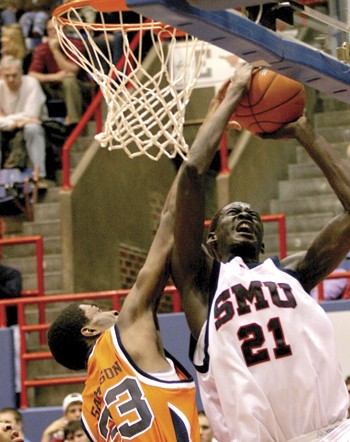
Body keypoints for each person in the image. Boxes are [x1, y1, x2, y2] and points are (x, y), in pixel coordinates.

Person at [45, 70, 235, 440]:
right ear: (88, 331)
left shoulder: (88, 411)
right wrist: (216, 118)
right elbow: (169, 220)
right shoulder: (124, 329)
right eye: (98, 312)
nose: (112, 311)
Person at [171, 59, 350, 441]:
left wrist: (304, 131)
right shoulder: (201, 286)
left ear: (264, 240)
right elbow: (190, 174)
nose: (246, 215)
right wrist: (234, 94)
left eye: (252, 214)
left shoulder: (293, 275)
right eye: (233, 212)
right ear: (211, 239)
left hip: (334, 432)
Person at [28, 18, 90, 128]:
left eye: (56, 29)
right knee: (31, 83)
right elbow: (32, 75)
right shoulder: (41, 48)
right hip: (54, 86)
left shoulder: (75, 44)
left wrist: (55, 50)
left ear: (64, 30)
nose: (53, 33)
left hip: (78, 86)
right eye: (50, 30)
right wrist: (55, 77)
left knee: (69, 81)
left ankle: (74, 124)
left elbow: (72, 71)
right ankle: (35, 121)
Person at [0, 55, 48, 181]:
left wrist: (5, 118)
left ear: (21, 72)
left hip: (38, 127)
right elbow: (26, 115)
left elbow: (32, 115)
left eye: (14, 75)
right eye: (7, 76)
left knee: (32, 128)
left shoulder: (31, 83)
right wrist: (14, 123)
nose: (10, 79)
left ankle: (39, 175)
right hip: (9, 129)